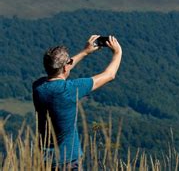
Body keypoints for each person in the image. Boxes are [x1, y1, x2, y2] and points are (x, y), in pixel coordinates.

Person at [32, 35, 122, 169]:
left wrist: (85, 52)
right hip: (68, 160)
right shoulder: (69, 89)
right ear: (65, 68)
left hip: (44, 160)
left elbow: (59, 69)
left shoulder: (38, 87)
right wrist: (117, 52)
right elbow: (109, 75)